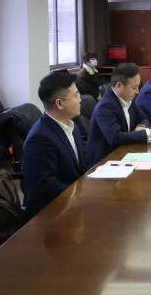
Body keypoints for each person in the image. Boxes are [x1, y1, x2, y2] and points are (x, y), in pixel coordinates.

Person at [22, 73, 87, 218]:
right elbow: (46, 187)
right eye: (76, 95)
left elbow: (81, 165)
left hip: (72, 203)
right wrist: (83, 194)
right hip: (51, 213)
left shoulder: (71, 125)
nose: (80, 99)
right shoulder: (40, 139)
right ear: (59, 103)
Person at [86, 63, 151, 165]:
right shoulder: (105, 106)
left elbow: (143, 118)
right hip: (104, 161)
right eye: (134, 88)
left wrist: (141, 126)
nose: (137, 92)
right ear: (119, 86)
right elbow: (116, 137)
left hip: (124, 153)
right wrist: (148, 133)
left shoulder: (127, 99)